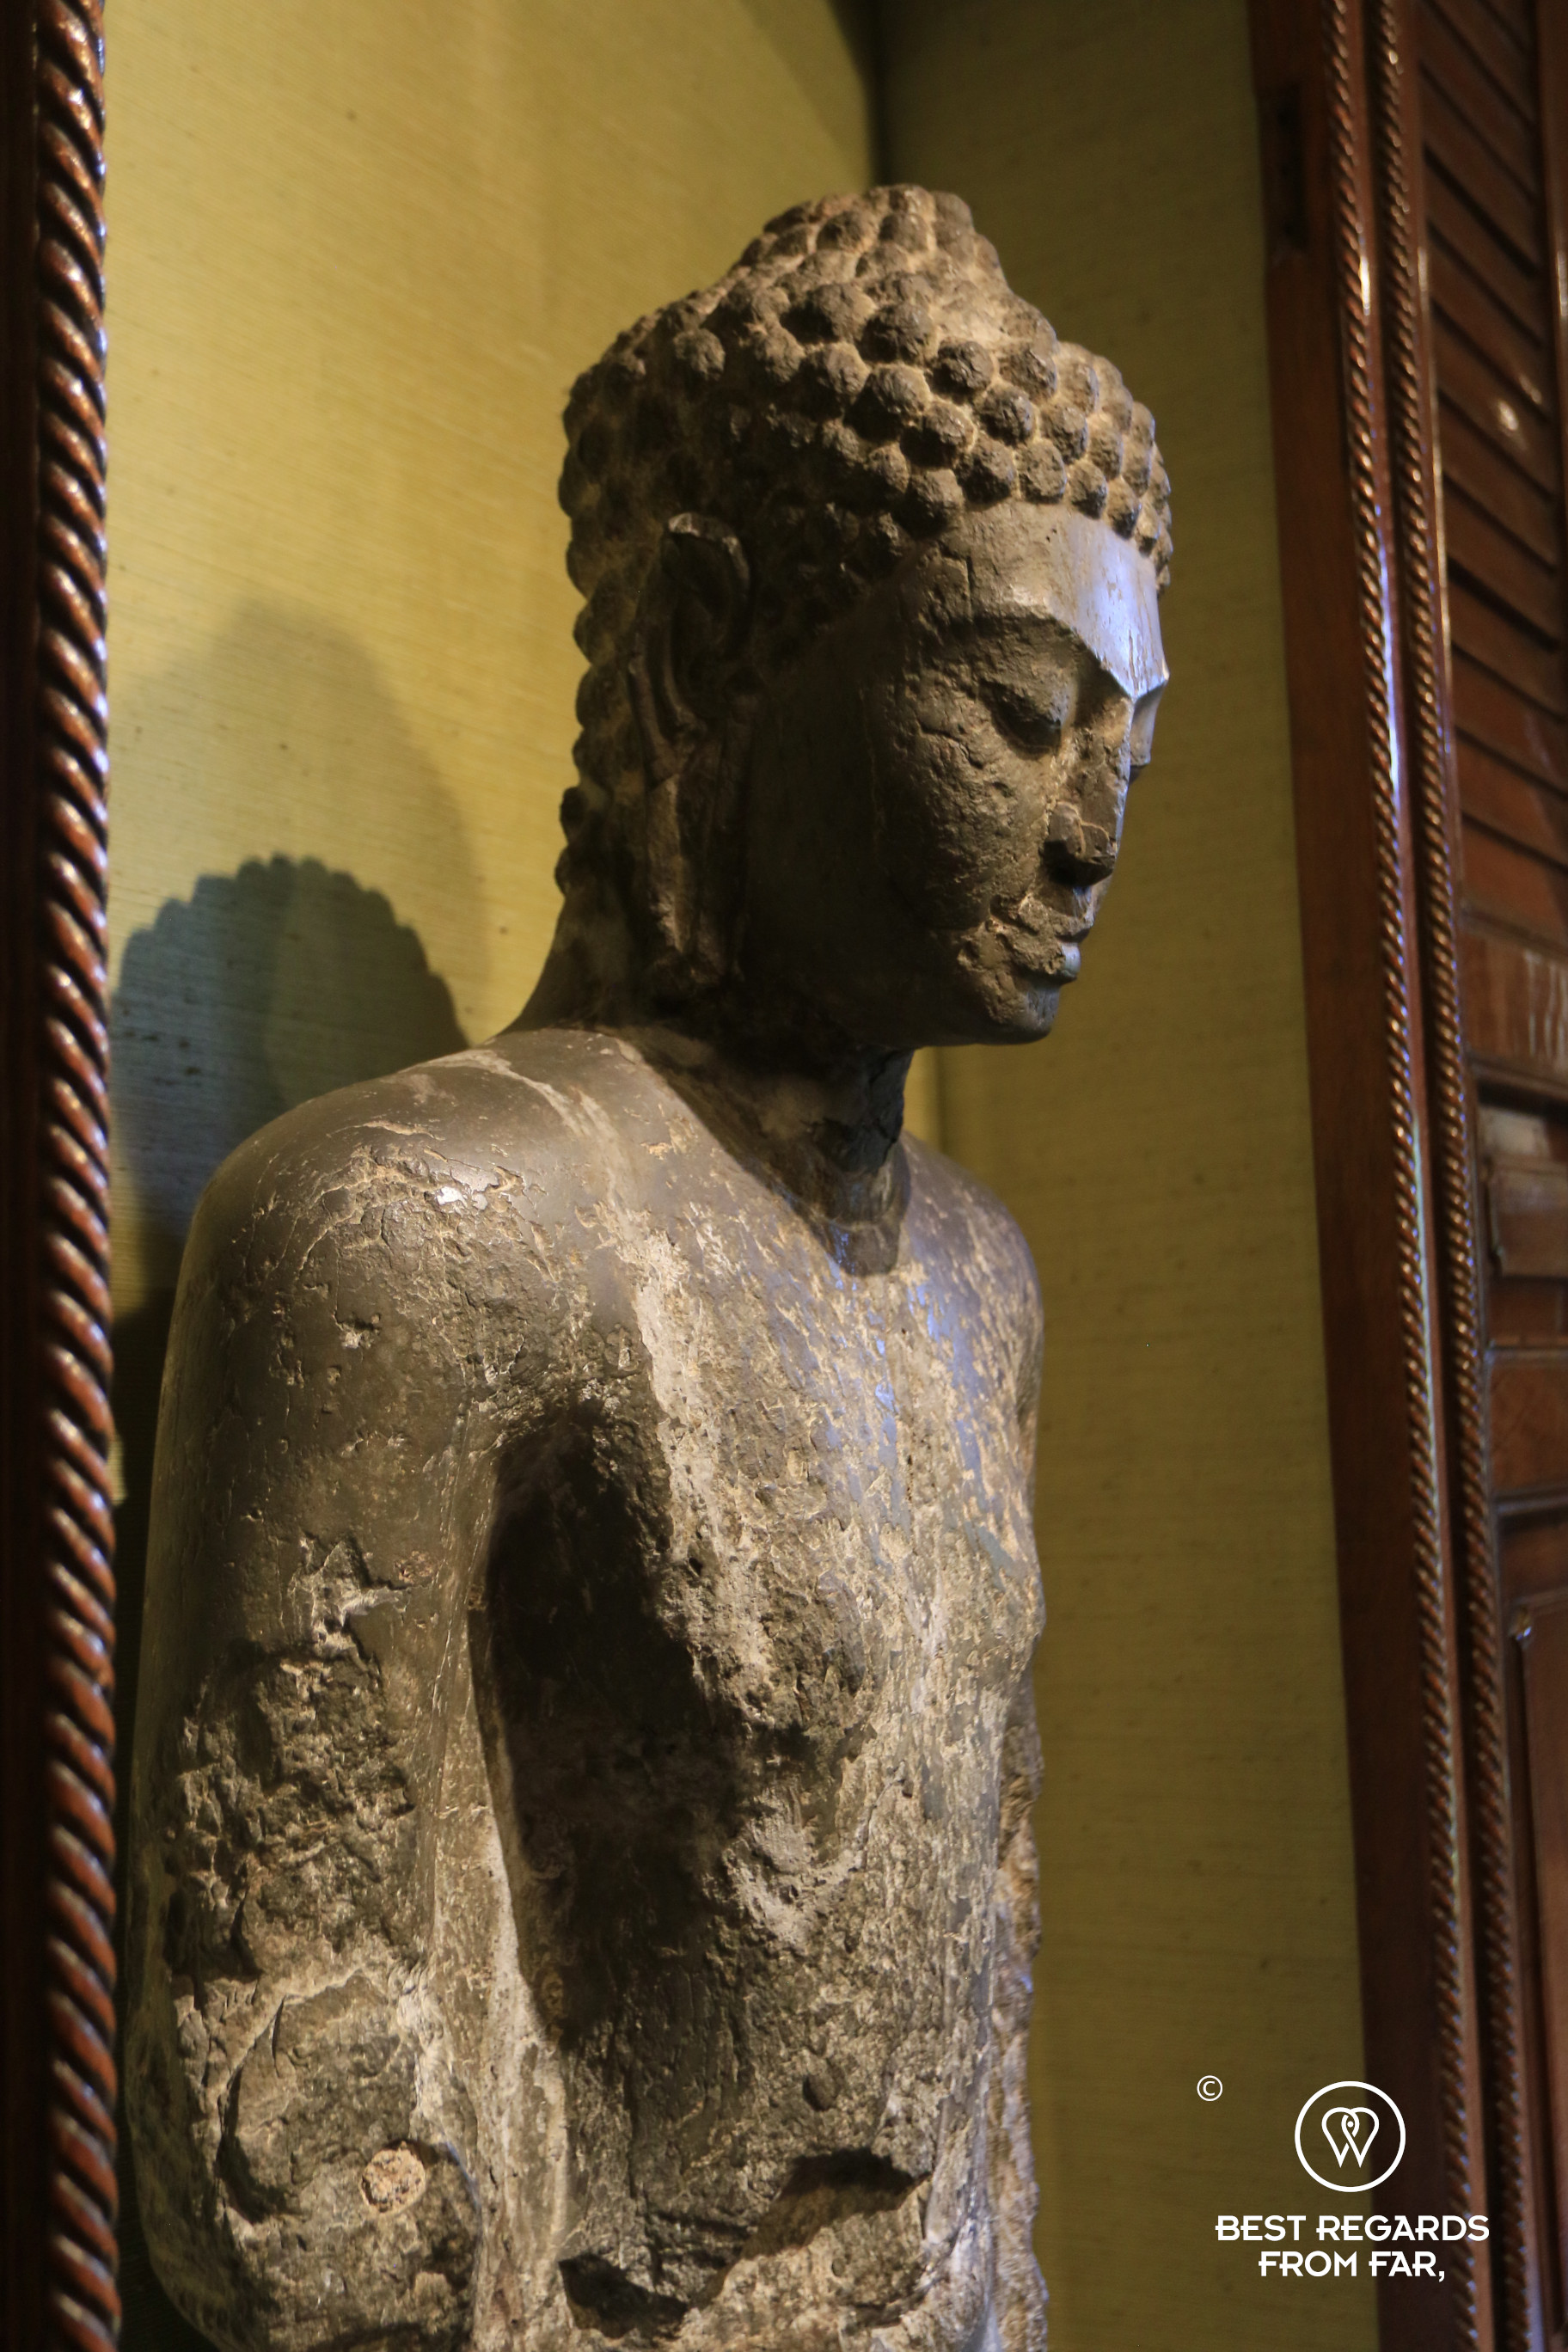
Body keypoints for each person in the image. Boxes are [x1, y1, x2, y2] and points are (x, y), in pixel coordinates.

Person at [128, 185, 1169, 2352]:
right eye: (1013, 713)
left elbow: (984, 1962)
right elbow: (296, 2151)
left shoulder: (979, 1278)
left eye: (1127, 744)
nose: (1091, 830)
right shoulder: (423, 1236)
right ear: (706, 654)